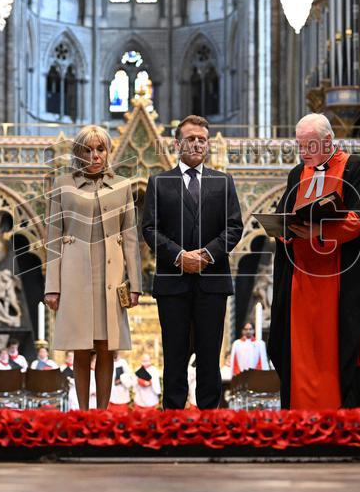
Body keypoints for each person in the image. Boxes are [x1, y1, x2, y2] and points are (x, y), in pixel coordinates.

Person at [268, 113, 360, 409]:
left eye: (309, 145)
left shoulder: (355, 168)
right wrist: (284, 231)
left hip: (338, 282)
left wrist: (319, 229)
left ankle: (338, 413)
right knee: (300, 350)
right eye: (300, 146)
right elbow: (284, 215)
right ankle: (300, 412)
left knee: (334, 351)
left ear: (328, 140)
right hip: (302, 284)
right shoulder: (297, 174)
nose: (303, 152)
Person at [141, 115, 243, 410]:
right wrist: (178, 256)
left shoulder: (223, 182)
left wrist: (207, 255)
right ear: (177, 144)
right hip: (172, 284)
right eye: (191, 139)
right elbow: (149, 229)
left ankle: (210, 420)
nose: (197, 144)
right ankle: (172, 418)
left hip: (212, 283)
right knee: (174, 355)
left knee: (210, 356)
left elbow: (234, 227)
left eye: (202, 139)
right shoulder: (159, 183)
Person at [44, 125, 142, 410]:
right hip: (74, 275)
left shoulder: (123, 186)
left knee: (106, 347)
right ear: (78, 152)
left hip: (110, 277)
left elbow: (132, 240)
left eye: (100, 149)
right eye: (88, 149)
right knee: (81, 347)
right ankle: (83, 412)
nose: (95, 155)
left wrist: (135, 286)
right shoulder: (63, 185)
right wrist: (53, 286)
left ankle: (102, 411)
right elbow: (52, 238)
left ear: (108, 152)